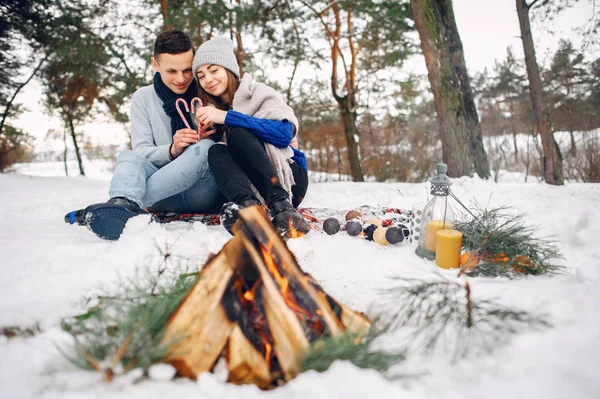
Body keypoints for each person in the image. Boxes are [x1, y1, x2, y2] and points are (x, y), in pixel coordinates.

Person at [64, 30, 222, 240]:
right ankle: (123, 205)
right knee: (128, 156)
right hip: (164, 194)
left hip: (201, 191)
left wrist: (214, 134)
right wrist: (172, 150)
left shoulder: (208, 89)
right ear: (155, 64)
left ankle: (121, 205)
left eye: (187, 70)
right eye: (171, 71)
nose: (181, 79)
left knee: (205, 149)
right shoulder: (142, 98)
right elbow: (142, 152)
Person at [191, 36, 310, 236]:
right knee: (216, 150)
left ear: (229, 70)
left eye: (214, 70)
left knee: (238, 134)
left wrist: (228, 117)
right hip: (248, 186)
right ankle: (249, 209)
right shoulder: (210, 111)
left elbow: (283, 134)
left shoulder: (257, 92)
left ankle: (282, 208)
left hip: (288, 182)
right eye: (201, 76)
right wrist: (205, 137)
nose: (208, 79)